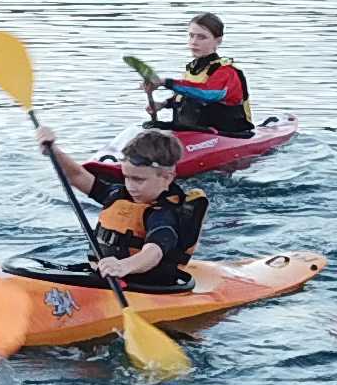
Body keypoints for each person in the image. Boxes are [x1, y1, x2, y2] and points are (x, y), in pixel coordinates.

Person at [33, 123, 209, 291]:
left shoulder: (164, 214)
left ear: (167, 177)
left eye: (139, 180)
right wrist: (53, 150)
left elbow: (153, 253)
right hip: (106, 276)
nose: (131, 186)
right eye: (126, 177)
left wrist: (123, 266)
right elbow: (77, 176)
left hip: (145, 285)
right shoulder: (118, 195)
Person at [146, 12, 254, 138]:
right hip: (194, 132)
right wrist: (163, 104)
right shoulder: (193, 69)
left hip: (229, 134)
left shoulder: (227, 71)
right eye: (191, 36)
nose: (194, 42)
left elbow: (207, 94)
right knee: (149, 126)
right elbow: (185, 95)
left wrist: (166, 82)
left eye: (201, 37)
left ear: (218, 41)